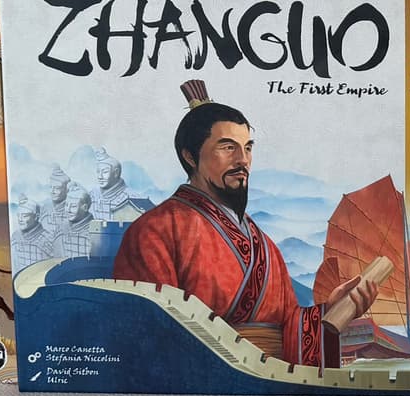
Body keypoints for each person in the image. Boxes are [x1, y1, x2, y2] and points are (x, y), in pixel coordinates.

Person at [113, 80, 380, 367]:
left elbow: (287, 324)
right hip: (200, 375)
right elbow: (146, 332)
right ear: (190, 156)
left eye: (248, 148)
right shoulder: (155, 231)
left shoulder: (264, 246)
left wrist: (330, 312)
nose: (243, 160)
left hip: (271, 379)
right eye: (228, 147)